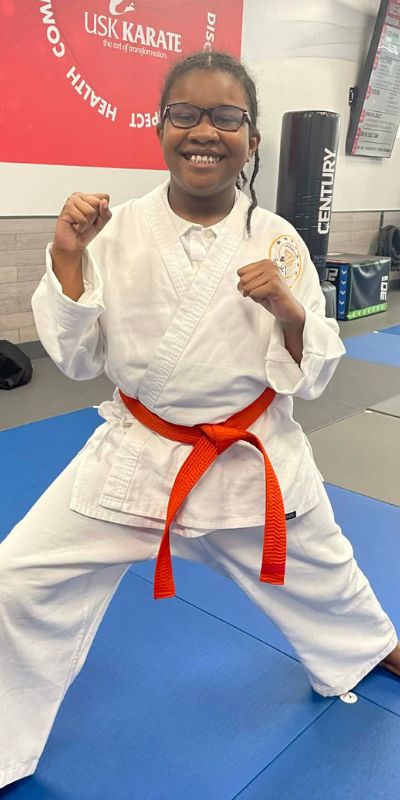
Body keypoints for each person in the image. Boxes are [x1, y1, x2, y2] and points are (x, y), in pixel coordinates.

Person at [0, 50, 399, 790]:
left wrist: (288, 311)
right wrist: (66, 258)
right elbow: (79, 363)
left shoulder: (280, 241)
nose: (204, 131)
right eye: (184, 114)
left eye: (226, 117)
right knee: (18, 574)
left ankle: (368, 644)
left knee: (324, 566)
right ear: (160, 128)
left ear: (252, 138)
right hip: (140, 451)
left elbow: (314, 373)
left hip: (247, 452)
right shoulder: (113, 231)